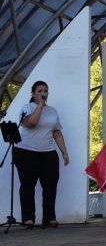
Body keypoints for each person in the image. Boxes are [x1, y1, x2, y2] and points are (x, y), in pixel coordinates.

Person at [14, 81, 69, 228]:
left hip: (48, 153)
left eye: (45, 91)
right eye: (39, 91)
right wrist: (39, 106)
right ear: (33, 94)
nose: (43, 93)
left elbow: (56, 132)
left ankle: (49, 218)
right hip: (26, 152)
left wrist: (64, 152)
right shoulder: (27, 108)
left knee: (50, 186)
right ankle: (28, 219)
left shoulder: (52, 111)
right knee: (27, 186)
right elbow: (31, 123)